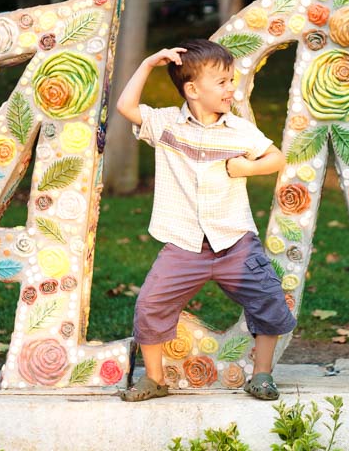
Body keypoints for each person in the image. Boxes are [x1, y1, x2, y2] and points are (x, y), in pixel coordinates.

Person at [115, 39, 296, 402]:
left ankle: (261, 375)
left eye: (232, 80)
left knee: (269, 299)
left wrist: (248, 167)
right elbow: (125, 106)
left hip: (234, 241)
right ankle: (154, 378)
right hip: (184, 242)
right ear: (193, 89)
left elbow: (276, 157)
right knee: (151, 304)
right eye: (223, 82)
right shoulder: (166, 124)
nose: (232, 89)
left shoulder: (239, 130)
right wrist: (149, 61)